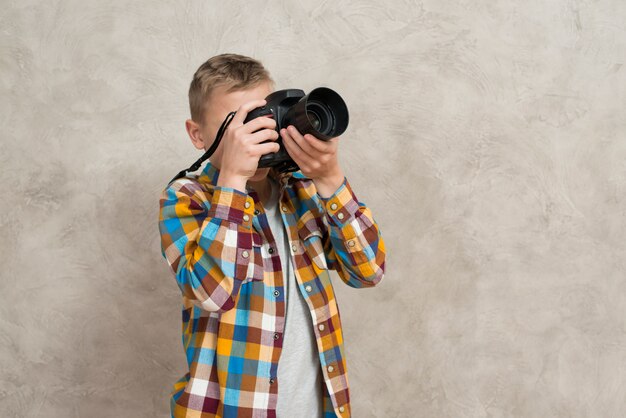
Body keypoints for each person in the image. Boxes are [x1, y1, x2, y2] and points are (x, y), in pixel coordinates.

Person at [158, 53, 386, 418]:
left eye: (263, 119)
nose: (258, 137)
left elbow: (368, 270)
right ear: (197, 134)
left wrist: (330, 179)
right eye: (240, 127)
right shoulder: (186, 198)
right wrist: (232, 179)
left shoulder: (301, 192)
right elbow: (212, 293)